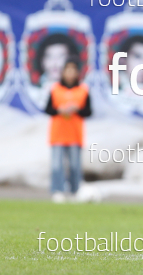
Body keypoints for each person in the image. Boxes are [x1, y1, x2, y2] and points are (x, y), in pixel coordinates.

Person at [44, 56, 92, 203]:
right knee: (57, 165)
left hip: (75, 134)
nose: (70, 73)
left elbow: (88, 111)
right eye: (67, 70)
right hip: (58, 133)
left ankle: (75, 191)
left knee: (74, 165)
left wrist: (77, 109)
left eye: (73, 70)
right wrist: (59, 109)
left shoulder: (83, 90)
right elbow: (48, 109)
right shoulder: (55, 89)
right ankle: (57, 191)